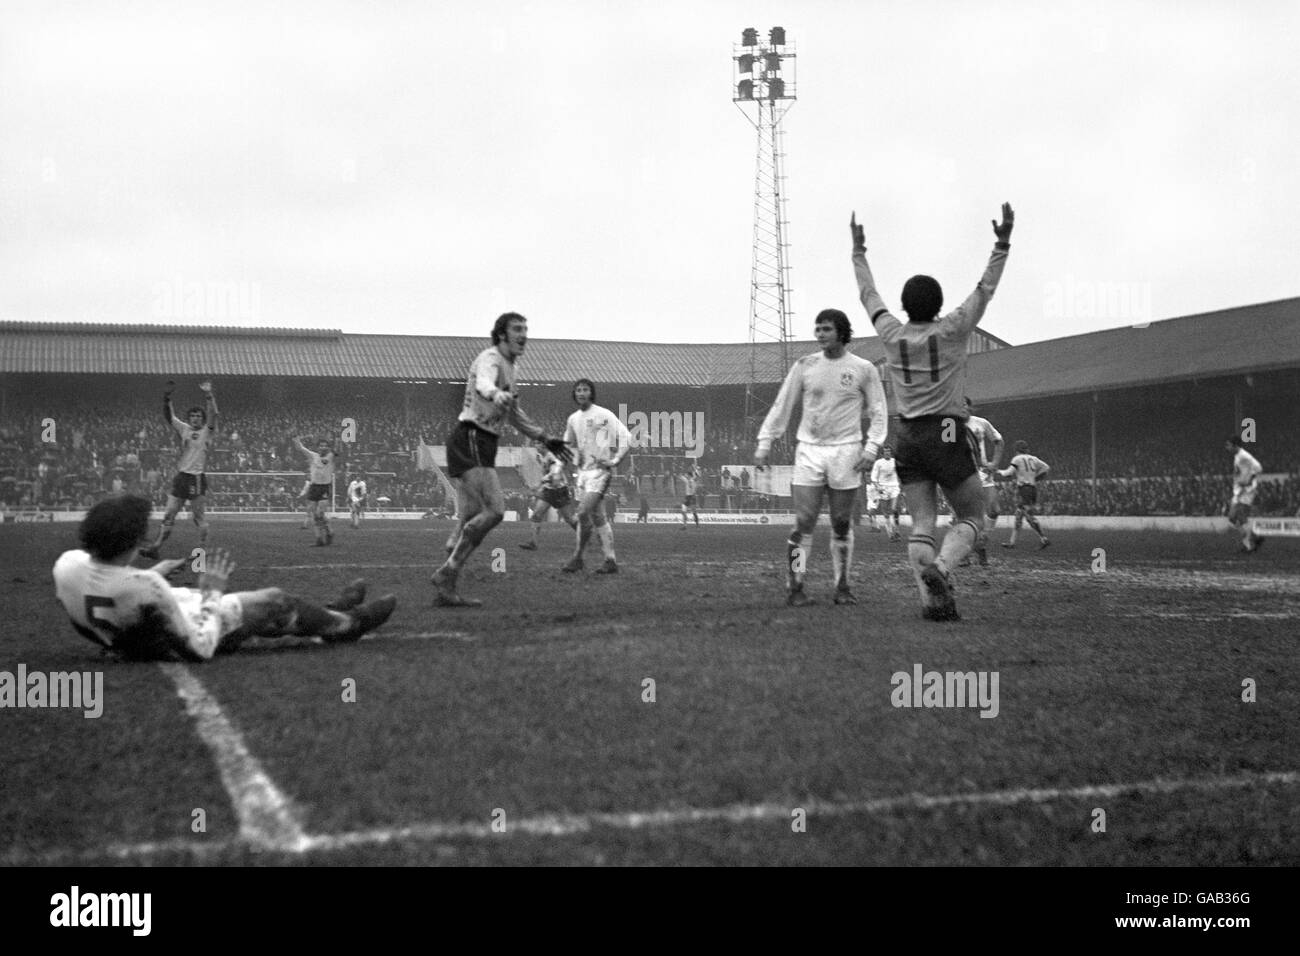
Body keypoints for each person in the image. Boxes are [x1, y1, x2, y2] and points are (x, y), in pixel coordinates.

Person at [852, 204, 1014, 620]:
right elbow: (985, 290)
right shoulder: (954, 328)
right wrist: (1001, 243)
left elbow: (868, 296)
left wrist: (859, 252)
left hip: (906, 434)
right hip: (945, 428)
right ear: (939, 303)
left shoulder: (891, 333)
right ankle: (942, 568)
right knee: (972, 515)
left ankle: (933, 605)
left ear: (904, 306)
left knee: (922, 520)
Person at [53, 494, 396, 661]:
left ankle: (327, 610)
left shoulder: (67, 565)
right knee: (276, 600)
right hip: (184, 627)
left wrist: (154, 572)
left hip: (138, 625)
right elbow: (200, 648)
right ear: (131, 542)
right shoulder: (147, 588)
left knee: (265, 610)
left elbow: (108, 585)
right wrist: (212, 592)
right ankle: (346, 625)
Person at [432, 313, 571, 606]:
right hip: (472, 436)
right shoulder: (491, 358)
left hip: (481, 441)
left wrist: (545, 438)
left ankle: (451, 560)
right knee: (495, 511)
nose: (524, 334)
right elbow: (484, 382)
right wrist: (495, 394)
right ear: (502, 334)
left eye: (526, 329)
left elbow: (515, 415)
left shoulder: (511, 367)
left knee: (472, 513)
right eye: (517, 329)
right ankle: (449, 570)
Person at [754, 308, 888, 606]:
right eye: (817, 328)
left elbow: (879, 411)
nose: (820, 334)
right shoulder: (805, 365)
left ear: (841, 331)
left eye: (826, 328)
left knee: (841, 521)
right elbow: (782, 404)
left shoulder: (864, 368)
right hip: (809, 451)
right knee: (804, 520)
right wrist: (765, 442)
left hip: (847, 451)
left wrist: (871, 448)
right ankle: (795, 584)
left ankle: (842, 586)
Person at [139, 380, 218, 559]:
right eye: (193, 416)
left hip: (196, 479)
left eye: (199, 416)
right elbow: (169, 417)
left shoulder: (207, 431)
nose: (196, 418)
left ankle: (200, 554)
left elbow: (214, 414)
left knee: (198, 519)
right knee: (169, 515)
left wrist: (209, 395)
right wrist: (167, 398)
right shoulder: (184, 429)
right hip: (181, 478)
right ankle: (155, 547)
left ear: (202, 419)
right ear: (189, 418)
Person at [562, 379, 632, 574]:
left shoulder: (604, 414)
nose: (581, 393)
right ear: (574, 394)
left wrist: (616, 459)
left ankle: (577, 558)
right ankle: (610, 560)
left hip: (600, 472)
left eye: (585, 390)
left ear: (591, 393)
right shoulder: (573, 419)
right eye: (578, 390)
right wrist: (560, 464)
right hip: (582, 474)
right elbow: (566, 445)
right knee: (598, 516)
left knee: (583, 513)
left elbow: (627, 437)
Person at [959, 396, 1006, 566]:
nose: (961, 408)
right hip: (962, 474)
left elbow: (999, 441)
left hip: (983, 472)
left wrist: (994, 463)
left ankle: (981, 543)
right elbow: (945, 449)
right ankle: (964, 553)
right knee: (966, 515)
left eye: (964, 405)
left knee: (994, 509)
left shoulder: (981, 423)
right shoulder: (949, 424)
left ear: (970, 407)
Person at [519, 447, 579, 550]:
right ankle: (533, 542)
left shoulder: (552, 457)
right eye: (535, 443)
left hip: (559, 490)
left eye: (538, 443)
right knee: (536, 515)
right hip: (548, 490)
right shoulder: (541, 457)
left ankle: (584, 535)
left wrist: (541, 481)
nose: (536, 446)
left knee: (569, 519)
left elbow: (554, 474)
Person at [998, 440, 1051, 549]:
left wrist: (998, 471)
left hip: (1024, 490)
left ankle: (1044, 538)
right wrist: (1035, 478)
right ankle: (1012, 542)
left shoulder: (1017, 459)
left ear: (1016, 450)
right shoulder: (1033, 458)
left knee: (1029, 516)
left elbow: (1008, 473)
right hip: (1032, 489)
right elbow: (1046, 468)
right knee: (1019, 515)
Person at [293, 435, 342, 547]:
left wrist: (338, 442)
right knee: (314, 514)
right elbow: (300, 448)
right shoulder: (313, 455)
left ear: (328, 447)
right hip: (314, 487)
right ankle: (319, 539)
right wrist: (297, 440)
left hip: (324, 487)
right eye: (321, 445)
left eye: (325, 446)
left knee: (320, 513)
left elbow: (338, 451)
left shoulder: (331, 456)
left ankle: (329, 532)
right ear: (318, 447)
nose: (323, 447)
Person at [1225, 436, 1264, 552]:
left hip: (1246, 491)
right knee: (1232, 517)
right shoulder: (1238, 456)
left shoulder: (1244, 456)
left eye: (1228, 445)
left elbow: (1258, 468)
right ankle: (1255, 538)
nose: (1226, 448)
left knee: (1240, 517)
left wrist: (1249, 480)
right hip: (1238, 491)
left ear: (1235, 446)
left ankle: (1248, 544)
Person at [870, 445, 903, 542]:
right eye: (885, 451)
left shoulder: (895, 461)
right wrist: (878, 487)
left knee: (894, 509)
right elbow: (874, 478)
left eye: (889, 451)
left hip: (894, 487)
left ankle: (896, 530)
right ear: (882, 453)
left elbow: (901, 473)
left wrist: (901, 484)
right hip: (883, 488)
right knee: (886, 514)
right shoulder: (878, 463)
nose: (887, 453)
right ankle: (891, 535)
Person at [680, 463, 701, 528]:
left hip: (691, 496)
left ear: (689, 476)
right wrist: (694, 469)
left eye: (687, 475)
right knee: (686, 510)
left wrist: (682, 468)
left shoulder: (688, 480)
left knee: (691, 511)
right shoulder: (692, 480)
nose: (686, 476)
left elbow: (680, 475)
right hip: (690, 497)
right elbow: (698, 476)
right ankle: (687, 525)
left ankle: (692, 524)